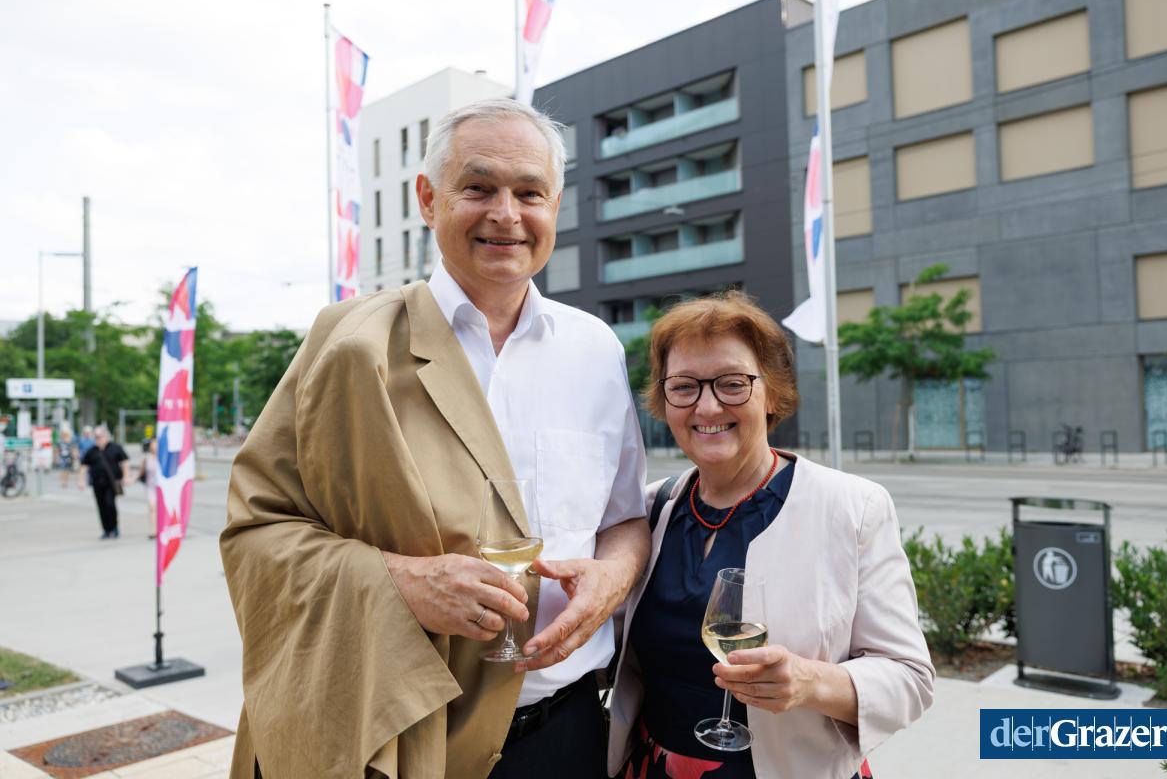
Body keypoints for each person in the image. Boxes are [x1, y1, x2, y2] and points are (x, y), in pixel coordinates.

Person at [221, 98, 649, 779]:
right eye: (478, 188)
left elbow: (624, 518)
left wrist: (613, 578)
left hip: (564, 732)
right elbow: (257, 533)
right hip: (402, 732)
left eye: (529, 193)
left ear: (555, 206)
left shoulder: (595, 349)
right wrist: (400, 582)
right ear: (427, 199)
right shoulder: (351, 345)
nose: (506, 214)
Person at [608, 292, 934, 779]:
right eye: (684, 386)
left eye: (732, 384)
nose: (707, 405)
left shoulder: (852, 507)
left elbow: (911, 680)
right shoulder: (650, 510)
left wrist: (812, 682)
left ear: (774, 394)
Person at [77, 425, 130, 539]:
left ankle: (114, 528)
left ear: (105, 436)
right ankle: (106, 530)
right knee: (101, 506)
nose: (98, 439)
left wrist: (126, 476)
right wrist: (81, 480)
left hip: (111, 483)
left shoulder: (115, 448)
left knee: (110, 504)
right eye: (96, 437)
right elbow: (84, 466)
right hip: (97, 483)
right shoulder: (92, 451)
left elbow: (125, 462)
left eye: (99, 436)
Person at [140, 438, 159, 538]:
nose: (154, 446)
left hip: (161, 488)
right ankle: (153, 530)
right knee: (152, 508)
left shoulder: (163, 456)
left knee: (161, 509)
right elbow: (141, 473)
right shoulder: (146, 458)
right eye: (153, 444)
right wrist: (130, 479)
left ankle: (162, 528)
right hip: (150, 487)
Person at [56, 424, 75, 489]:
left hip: (68, 457)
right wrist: (56, 457)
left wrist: (73, 456)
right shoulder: (59, 441)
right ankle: (63, 482)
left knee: (67, 470)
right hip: (62, 457)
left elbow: (72, 449)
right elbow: (57, 449)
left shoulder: (70, 441)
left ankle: (66, 481)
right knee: (62, 469)